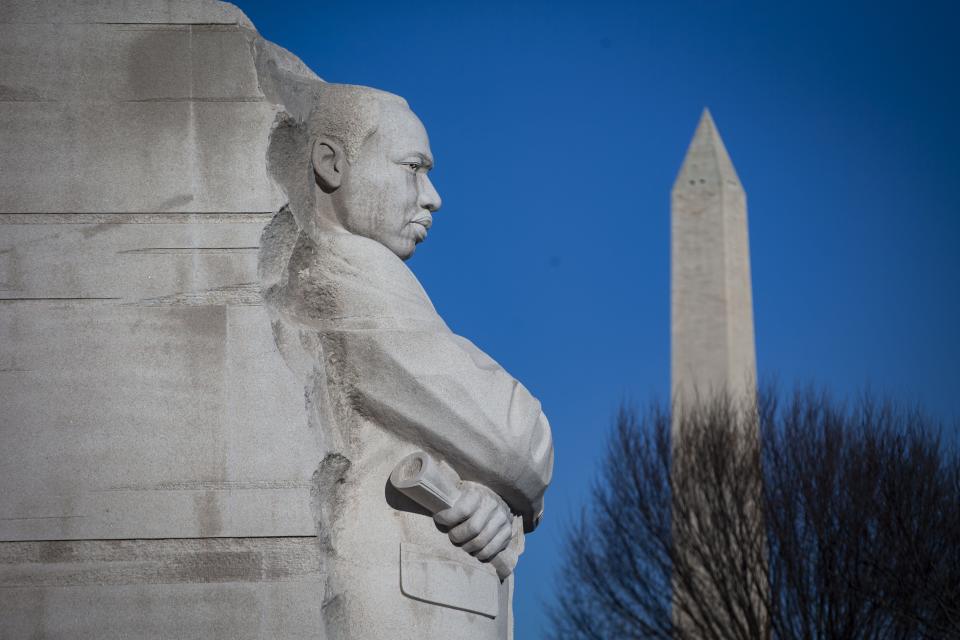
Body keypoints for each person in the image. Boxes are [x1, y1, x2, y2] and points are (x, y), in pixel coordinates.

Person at [261, 83, 553, 640]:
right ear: (330, 163)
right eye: (413, 168)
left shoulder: (362, 277)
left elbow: (480, 450)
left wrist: (496, 500)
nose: (432, 195)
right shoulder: (343, 278)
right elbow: (517, 438)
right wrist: (509, 473)